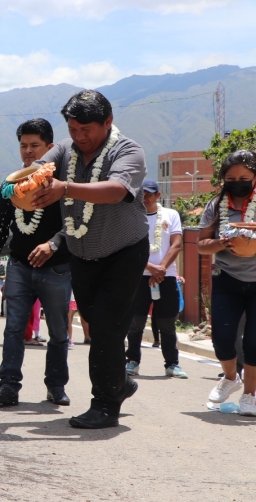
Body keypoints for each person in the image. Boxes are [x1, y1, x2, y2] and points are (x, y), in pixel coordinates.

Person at [31, 90, 149, 429]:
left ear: (107, 122)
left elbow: (116, 190)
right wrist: (25, 184)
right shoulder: (65, 151)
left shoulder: (128, 150)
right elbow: (40, 167)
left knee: (109, 329)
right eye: (73, 130)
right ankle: (120, 383)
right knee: (96, 327)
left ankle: (105, 405)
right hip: (82, 252)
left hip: (124, 251)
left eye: (87, 130)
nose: (80, 137)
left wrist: (64, 188)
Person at [0, 118, 72, 407]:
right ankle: (9, 386)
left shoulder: (61, 185)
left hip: (57, 268)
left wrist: (53, 244)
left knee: (58, 331)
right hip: (20, 267)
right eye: (23, 146)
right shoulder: (10, 186)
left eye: (35, 146)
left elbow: (76, 222)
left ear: (50, 147)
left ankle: (56, 386)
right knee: (13, 328)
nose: (28, 152)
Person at [197, 150, 256, 415]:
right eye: (231, 177)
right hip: (226, 279)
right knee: (222, 339)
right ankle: (231, 377)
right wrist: (222, 242)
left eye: (244, 177)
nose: (238, 182)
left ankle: (251, 395)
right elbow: (201, 245)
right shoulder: (215, 206)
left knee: (254, 342)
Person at [125, 178, 187, 379]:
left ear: (158, 195)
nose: (145, 198)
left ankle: (172, 364)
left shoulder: (171, 215)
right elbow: (128, 249)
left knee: (167, 323)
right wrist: (150, 267)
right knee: (136, 323)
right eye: (141, 193)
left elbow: (176, 244)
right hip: (138, 276)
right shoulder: (131, 216)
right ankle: (132, 361)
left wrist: (160, 269)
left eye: (149, 194)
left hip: (166, 276)